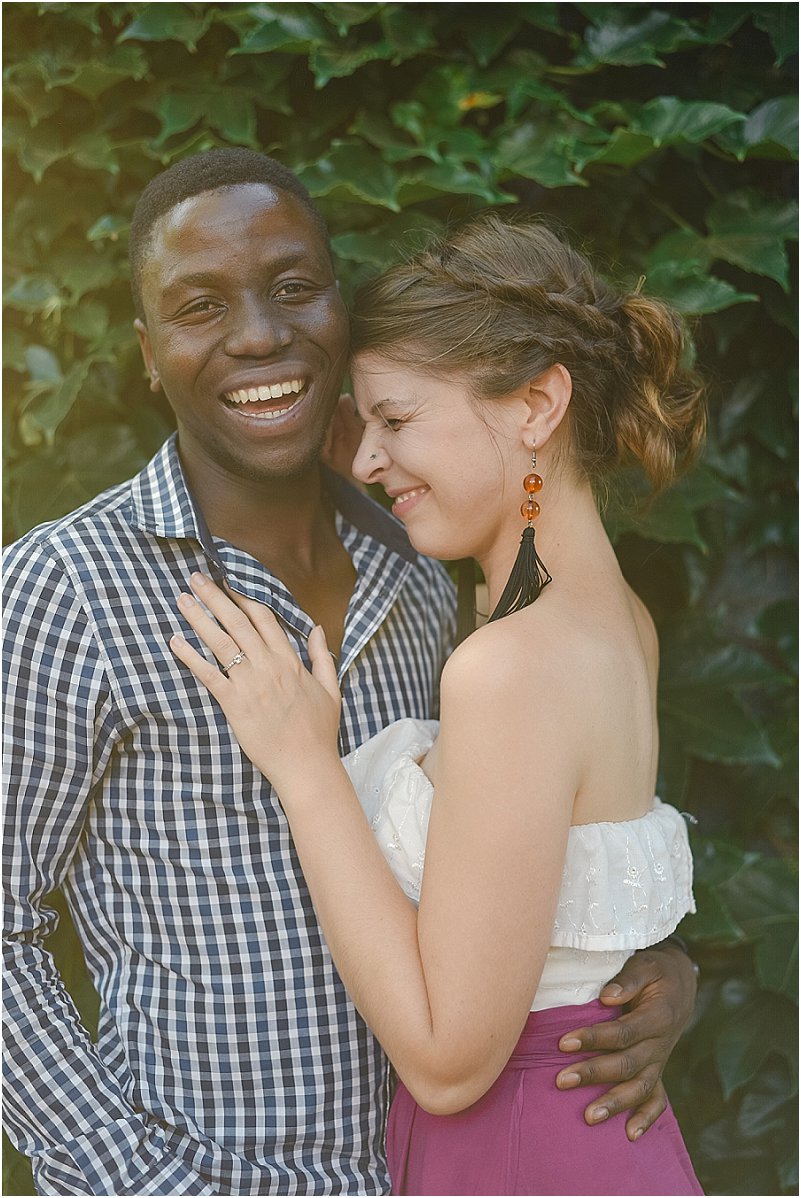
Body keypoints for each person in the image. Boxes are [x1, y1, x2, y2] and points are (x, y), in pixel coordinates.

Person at [4, 149, 696, 1196]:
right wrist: (131, 1181)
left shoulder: (427, 578)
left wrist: (625, 977)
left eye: (292, 288)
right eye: (200, 305)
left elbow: (518, 849)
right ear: (149, 355)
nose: (258, 334)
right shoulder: (67, 588)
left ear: (337, 306)